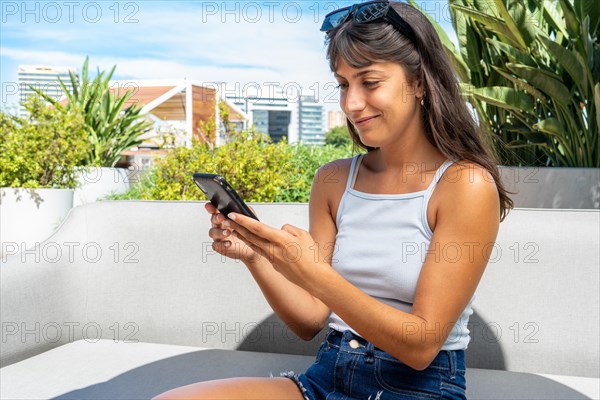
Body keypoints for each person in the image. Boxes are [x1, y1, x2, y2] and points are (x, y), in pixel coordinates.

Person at [154, 1, 512, 399]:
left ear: (419, 82)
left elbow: (420, 346)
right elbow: (309, 319)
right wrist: (256, 255)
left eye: (370, 82)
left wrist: (313, 272)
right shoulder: (334, 179)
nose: (351, 103)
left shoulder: (466, 185)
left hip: (418, 388)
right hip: (328, 375)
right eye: (343, 84)